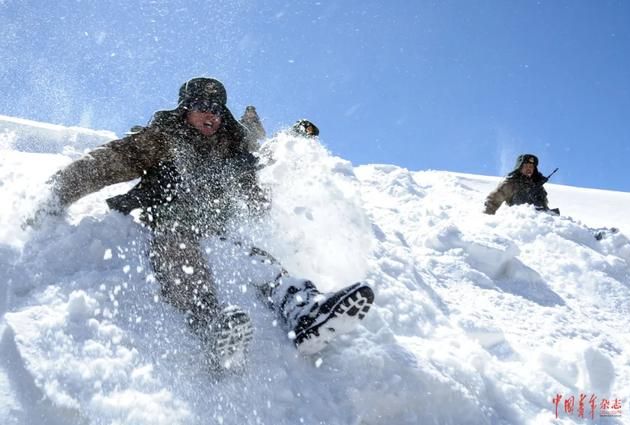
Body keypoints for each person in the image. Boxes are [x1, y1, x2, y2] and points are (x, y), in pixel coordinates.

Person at [26, 77, 374, 370]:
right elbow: (108, 162)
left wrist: (292, 144)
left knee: (260, 259)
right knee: (180, 248)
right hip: (167, 225)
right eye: (201, 104)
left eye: (217, 108)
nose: (210, 112)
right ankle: (211, 328)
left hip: (215, 232)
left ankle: (304, 315)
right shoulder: (162, 139)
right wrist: (56, 195)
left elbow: (262, 182)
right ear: (185, 109)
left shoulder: (234, 152)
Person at [484, 154, 557, 215]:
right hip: (518, 222)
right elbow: (492, 202)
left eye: (531, 167)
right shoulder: (511, 183)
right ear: (519, 167)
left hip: (537, 225)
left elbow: (544, 207)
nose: (529, 169)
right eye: (526, 166)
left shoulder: (538, 187)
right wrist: (487, 218)